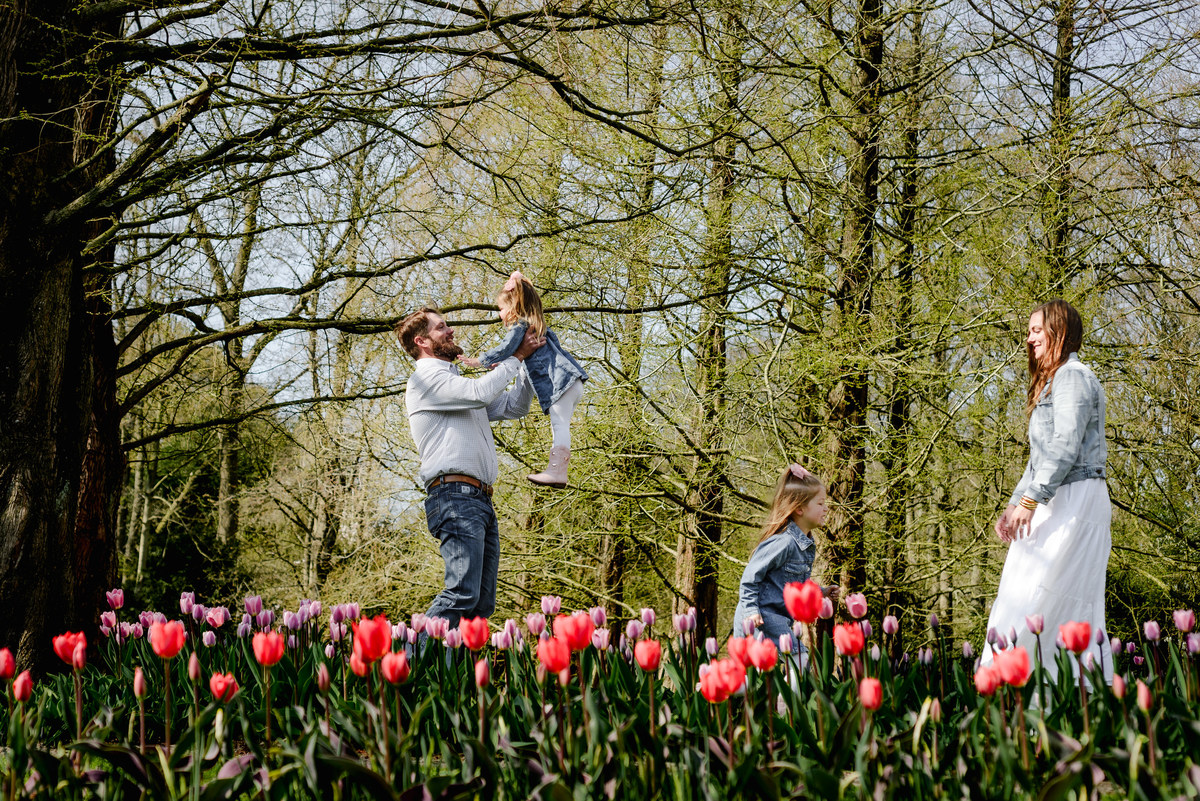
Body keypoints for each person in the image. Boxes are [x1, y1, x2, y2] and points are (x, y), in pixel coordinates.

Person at [985, 299, 1111, 683]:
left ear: (1059, 331)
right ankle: (1023, 687)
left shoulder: (1073, 376)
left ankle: (1052, 690)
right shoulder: (1055, 381)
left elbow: (1066, 445)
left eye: (1036, 331)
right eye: (1029, 332)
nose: (1029, 339)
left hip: (1075, 498)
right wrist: (1014, 504)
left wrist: (1030, 500)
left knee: (1048, 592)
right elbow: (1039, 458)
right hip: (1056, 496)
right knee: (1023, 590)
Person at [396, 306, 543, 627]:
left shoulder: (454, 383)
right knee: (462, 593)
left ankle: (454, 675)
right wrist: (515, 356)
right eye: (441, 328)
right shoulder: (426, 379)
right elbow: (480, 392)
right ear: (422, 341)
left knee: (480, 603)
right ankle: (408, 666)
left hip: (479, 500)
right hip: (454, 496)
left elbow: (513, 406)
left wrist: (529, 363)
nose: (450, 331)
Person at [460, 271, 587, 488]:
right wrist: (504, 364)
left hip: (560, 383)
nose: (500, 315)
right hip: (571, 381)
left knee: (559, 426)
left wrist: (479, 361)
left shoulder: (521, 326)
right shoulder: (538, 327)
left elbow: (507, 347)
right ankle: (557, 471)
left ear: (514, 306)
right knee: (560, 424)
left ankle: (557, 472)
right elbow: (531, 357)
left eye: (501, 309)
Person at [732, 465, 828, 651]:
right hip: (761, 618)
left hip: (779, 619)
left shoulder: (806, 544)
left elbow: (795, 584)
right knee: (801, 661)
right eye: (820, 503)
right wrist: (752, 612)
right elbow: (749, 577)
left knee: (793, 667)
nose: (826, 509)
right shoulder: (783, 542)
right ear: (799, 508)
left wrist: (821, 592)